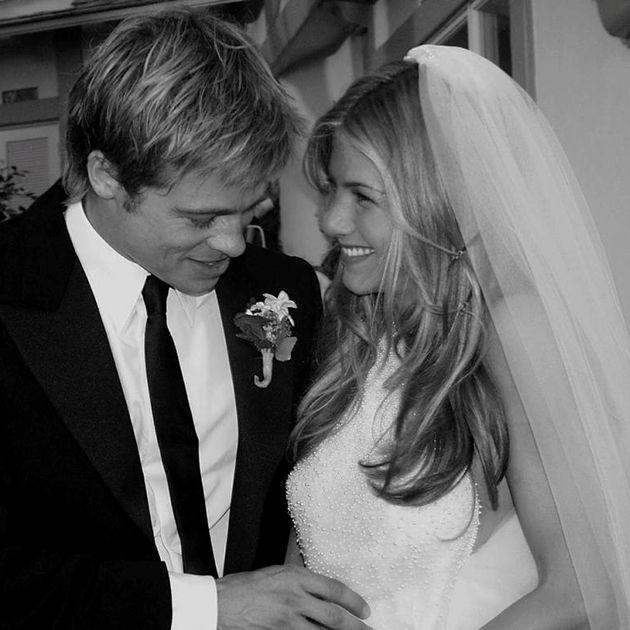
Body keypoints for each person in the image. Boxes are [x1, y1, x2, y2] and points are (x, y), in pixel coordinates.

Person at [0, 9, 372, 630]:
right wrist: (206, 608)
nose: (233, 244)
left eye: (249, 209)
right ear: (106, 175)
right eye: (201, 218)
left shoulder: (285, 292)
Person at [286, 45, 630, 629]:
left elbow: (584, 593)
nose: (331, 220)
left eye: (362, 196)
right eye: (332, 189)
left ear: (438, 200)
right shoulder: (358, 335)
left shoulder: (516, 332)